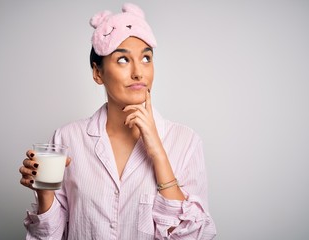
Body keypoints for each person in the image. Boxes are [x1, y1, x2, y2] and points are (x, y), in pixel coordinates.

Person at [19, 3, 216, 239]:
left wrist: (158, 154)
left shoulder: (185, 142)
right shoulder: (67, 138)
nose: (138, 73)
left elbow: (196, 236)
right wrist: (44, 193)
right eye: (123, 60)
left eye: (146, 58)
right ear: (97, 72)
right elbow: (49, 237)